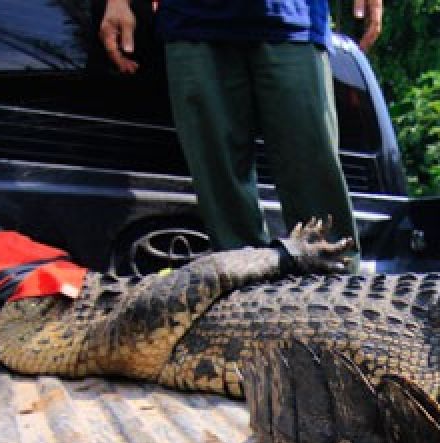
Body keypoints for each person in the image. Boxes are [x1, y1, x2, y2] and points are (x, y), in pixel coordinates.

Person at [98, 0, 382, 256]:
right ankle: (243, 302)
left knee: (317, 187)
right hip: (193, 25)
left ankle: (337, 299)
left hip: (293, 22)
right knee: (224, 202)